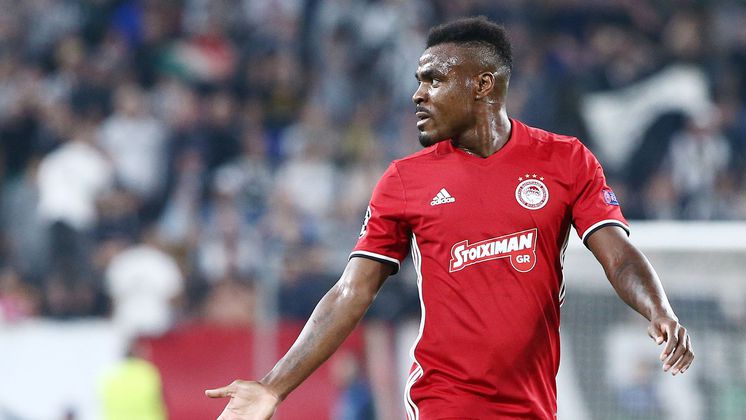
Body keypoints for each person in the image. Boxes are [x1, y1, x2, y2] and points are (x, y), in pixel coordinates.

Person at [205, 17, 694, 419]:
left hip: (534, 406)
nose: (418, 94)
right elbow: (352, 291)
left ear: (483, 85)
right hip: (444, 403)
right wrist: (273, 386)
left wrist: (659, 310)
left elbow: (618, 256)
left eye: (433, 79)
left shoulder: (565, 161)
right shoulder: (405, 180)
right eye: (418, 81)